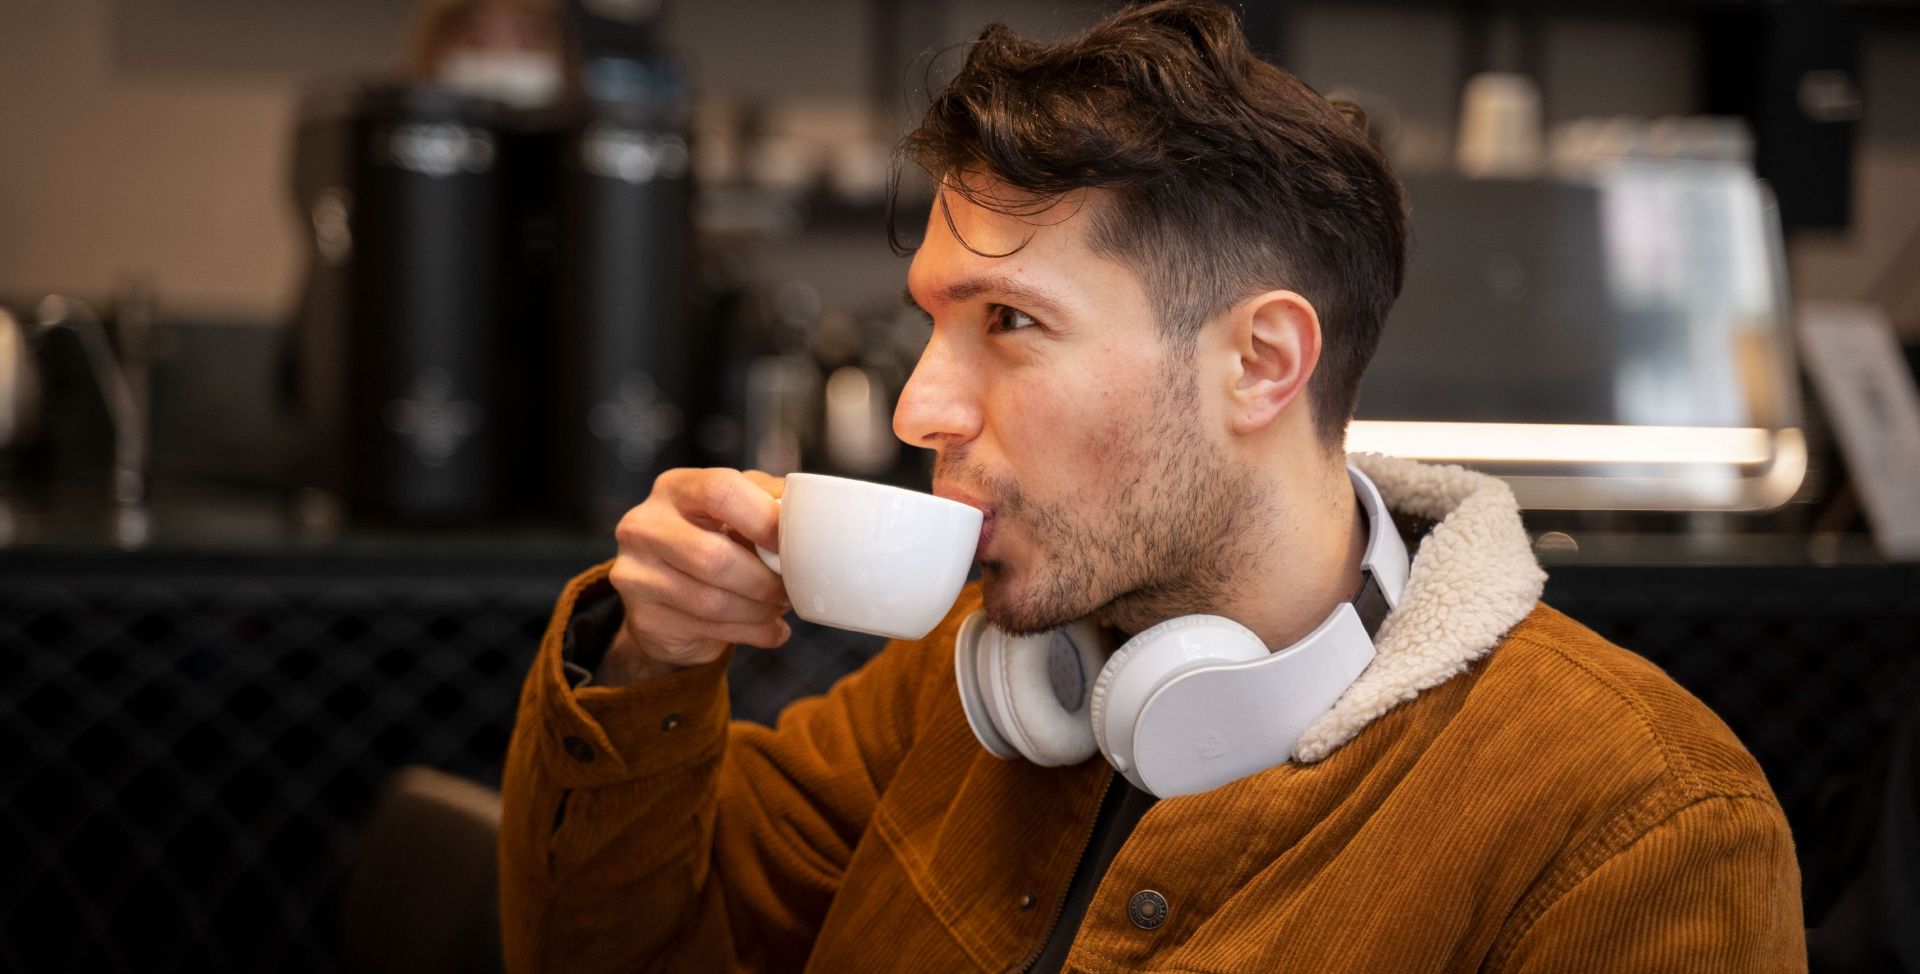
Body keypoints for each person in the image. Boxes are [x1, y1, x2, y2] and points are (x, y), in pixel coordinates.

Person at [498, 2, 1805, 970]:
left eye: (1009, 321)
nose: (917, 407)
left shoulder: (1633, 821)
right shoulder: (966, 688)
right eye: (932, 327)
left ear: (1260, 361)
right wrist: (649, 664)